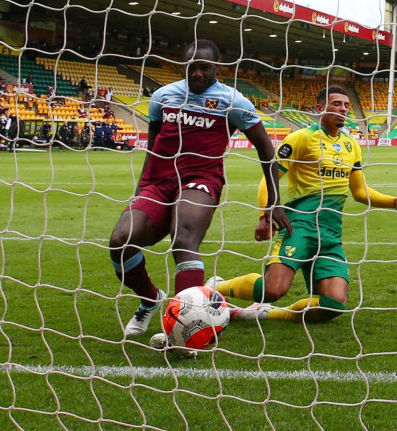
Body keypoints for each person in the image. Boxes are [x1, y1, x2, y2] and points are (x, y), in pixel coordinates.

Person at [108, 39, 291, 338]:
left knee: (183, 241)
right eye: (191, 67)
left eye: (203, 67)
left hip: (202, 178)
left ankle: (180, 330)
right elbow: (153, 144)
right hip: (159, 180)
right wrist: (142, 185)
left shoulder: (233, 101)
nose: (196, 74)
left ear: (217, 67)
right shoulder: (163, 96)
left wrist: (274, 201)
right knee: (120, 241)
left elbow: (265, 149)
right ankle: (150, 299)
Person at [205, 85, 397, 324]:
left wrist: (394, 203)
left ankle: (262, 313)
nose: (343, 109)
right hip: (299, 226)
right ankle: (217, 286)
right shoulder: (302, 138)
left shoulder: (352, 145)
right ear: (319, 109)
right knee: (273, 289)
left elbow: (359, 191)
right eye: (337, 104)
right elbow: (270, 177)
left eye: (346, 105)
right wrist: (265, 215)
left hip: (330, 233)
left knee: (333, 304)